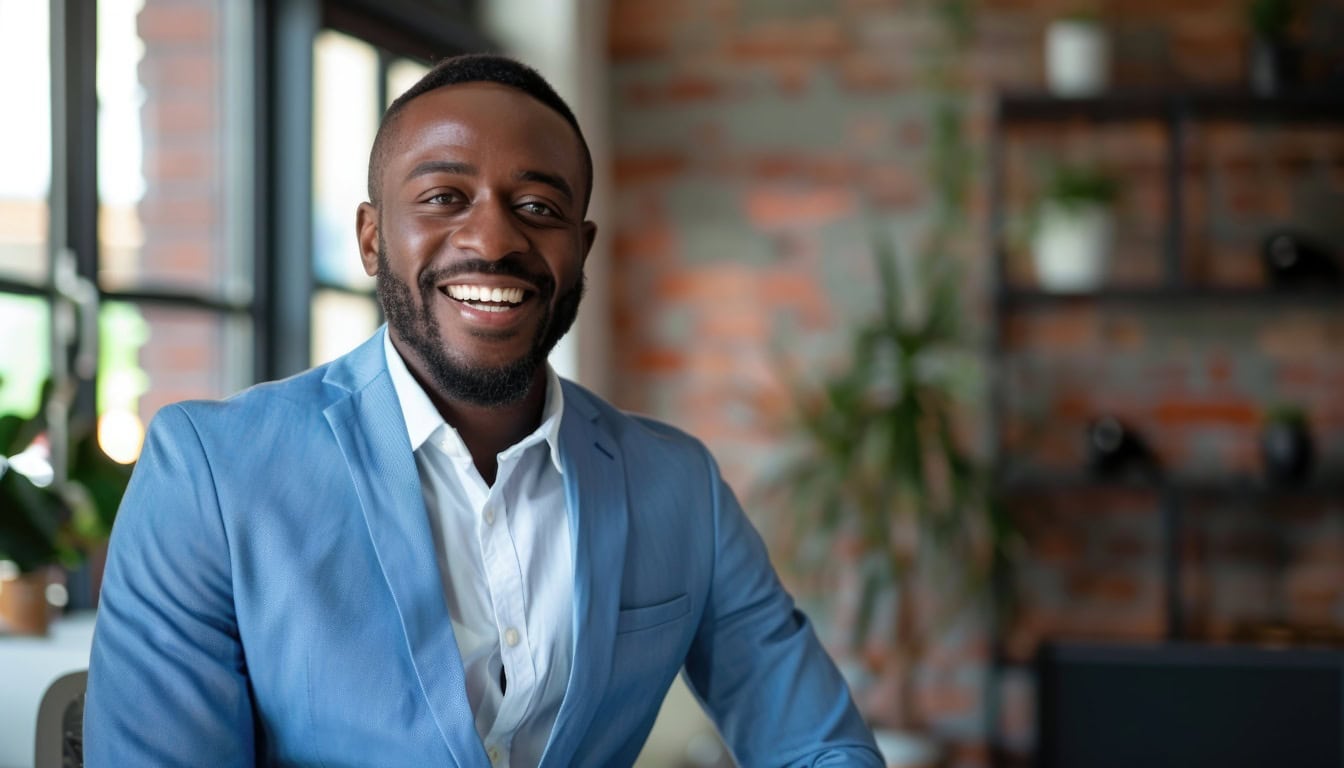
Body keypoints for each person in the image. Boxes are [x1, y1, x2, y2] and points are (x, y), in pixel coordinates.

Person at [85, 53, 882, 767]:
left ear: (582, 247)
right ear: (371, 240)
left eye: (538, 207)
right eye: (443, 196)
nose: (494, 238)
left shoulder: (680, 486)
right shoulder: (211, 475)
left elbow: (820, 745)